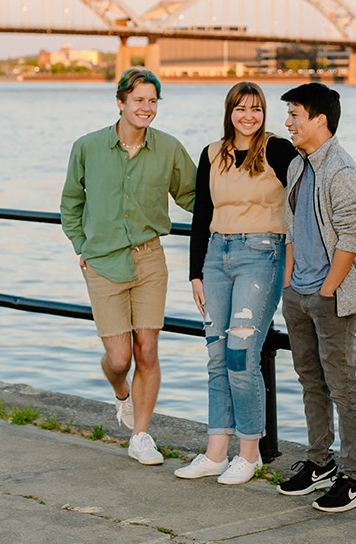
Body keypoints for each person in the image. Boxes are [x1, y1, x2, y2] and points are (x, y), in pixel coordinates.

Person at [60, 67, 196, 467]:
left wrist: (243, 203)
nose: (146, 108)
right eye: (138, 100)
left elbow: (193, 195)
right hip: (102, 261)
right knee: (119, 358)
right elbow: (71, 203)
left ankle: (140, 435)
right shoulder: (87, 147)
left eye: (152, 101)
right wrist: (80, 245)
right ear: (121, 103)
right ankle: (121, 393)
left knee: (147, 350)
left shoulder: (169, 149)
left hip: (150, 260)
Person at [175, 82, 297, 486]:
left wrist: (295, 259)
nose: (249, 116)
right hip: (216, 258)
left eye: (257, 109)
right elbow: (201, 216)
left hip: (261, 257)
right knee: (215, 357)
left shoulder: (279, 150)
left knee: (241, 356)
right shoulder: (213, 153)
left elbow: (303, 200)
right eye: (241, 108)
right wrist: (195, 272)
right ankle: (215, 452)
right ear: (229, 112)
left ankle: (249, 453)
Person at [276, 82, 356, 512]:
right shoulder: (299, 166)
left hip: (330, 297)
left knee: (342, 385)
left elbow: (351, 237)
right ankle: (320, 462)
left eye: (295, 114)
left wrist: (327, 290)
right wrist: (289, 284)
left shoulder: (341, 169)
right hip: (297, 293)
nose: (288, 123)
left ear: (320, 119)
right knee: (309, 381)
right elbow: (291, 230)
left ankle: (354, 476)